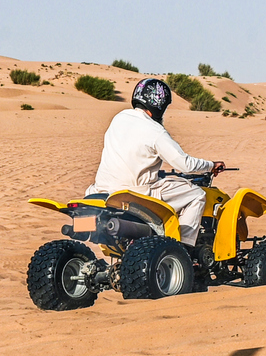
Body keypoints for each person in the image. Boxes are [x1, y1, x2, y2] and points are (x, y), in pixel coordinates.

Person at [85, 78, 225, 247]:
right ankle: (184, 250)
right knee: (197, 195)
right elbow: (185, 165)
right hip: (135, 193)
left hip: (101, 191)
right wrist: (210, 165)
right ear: (158, 105)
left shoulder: (119, 118)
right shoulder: (155, 131)